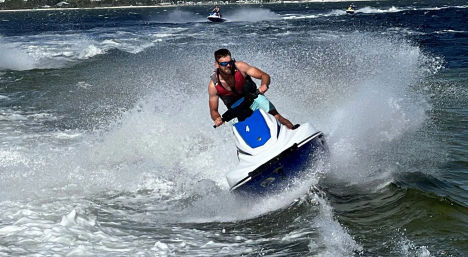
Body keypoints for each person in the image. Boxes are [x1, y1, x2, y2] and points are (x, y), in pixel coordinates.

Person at [208, 48, 295, 129]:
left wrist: (264, 84)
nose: (228, 65)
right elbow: (213, 110)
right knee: (247, 130)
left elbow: (264, 75)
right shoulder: (213, 86)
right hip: (237, 110)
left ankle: (293, 130)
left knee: (275, 116)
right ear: (217, 65)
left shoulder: (240, 67)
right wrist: (217, 118)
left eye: (230, 62)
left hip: (254, 98)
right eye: (224, 64)